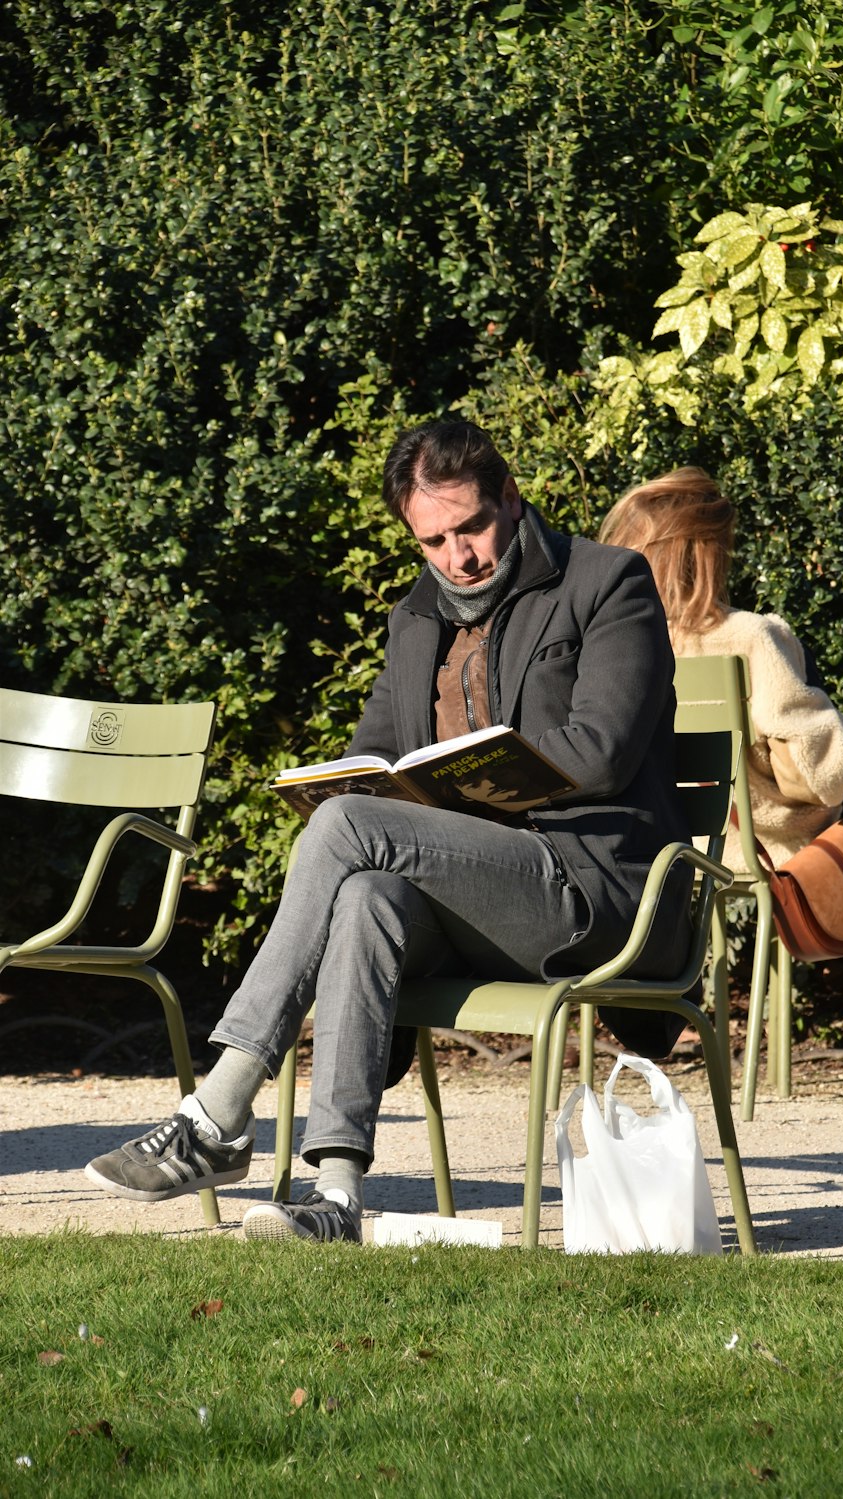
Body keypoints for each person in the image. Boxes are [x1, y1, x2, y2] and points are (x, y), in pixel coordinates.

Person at [85, 421, 694, 1244]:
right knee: (368, 892)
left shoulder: (607, 581)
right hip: (478, 900)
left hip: (588, 886)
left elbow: (603, 753)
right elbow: (375, 750)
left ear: (510, 498)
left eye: (471, 527)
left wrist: (448, 790)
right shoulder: (416, 618)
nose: (458, 557)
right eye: (434, 540)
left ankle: (219, 1111)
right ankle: (337, 1195)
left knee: (350, 830)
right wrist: (360, 782)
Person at [598, 467, 843, 877]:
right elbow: (824, 774)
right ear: (709, 554)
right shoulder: (752, 636)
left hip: (653, 855)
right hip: (761, 855)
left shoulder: (606, 643)